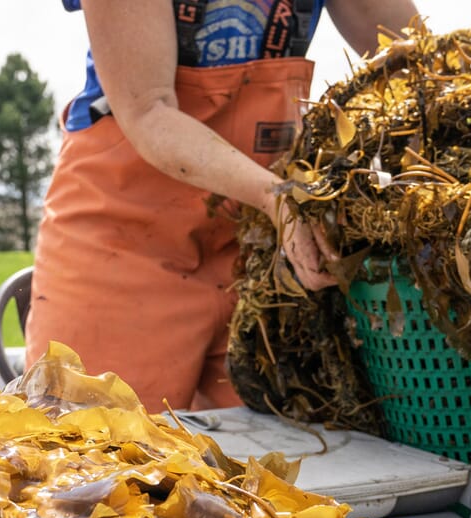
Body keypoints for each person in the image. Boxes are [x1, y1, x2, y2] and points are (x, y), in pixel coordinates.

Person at [26, 0, 420, 412]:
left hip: (257, 247)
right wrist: (274, 196)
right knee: (96, 441)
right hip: (122, 239)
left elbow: (412, 57)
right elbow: (147, 110)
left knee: (274, 445)